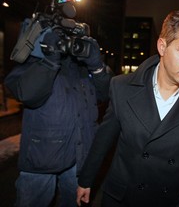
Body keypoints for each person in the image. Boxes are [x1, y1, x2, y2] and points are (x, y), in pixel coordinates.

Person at [77, 9, 179, 207]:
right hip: (122, 197)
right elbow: (103, 139)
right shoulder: (121, 88)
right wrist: (86, 180)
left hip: (168, 199)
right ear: (162, 46)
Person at [4, 14, 112, 206]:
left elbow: (106, 94)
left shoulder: (82, 68)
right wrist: (49, 60)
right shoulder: (35, 62)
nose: (69, 44)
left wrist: (96, 66)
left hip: (79, 160)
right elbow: (25, 93)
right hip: (40, 162)